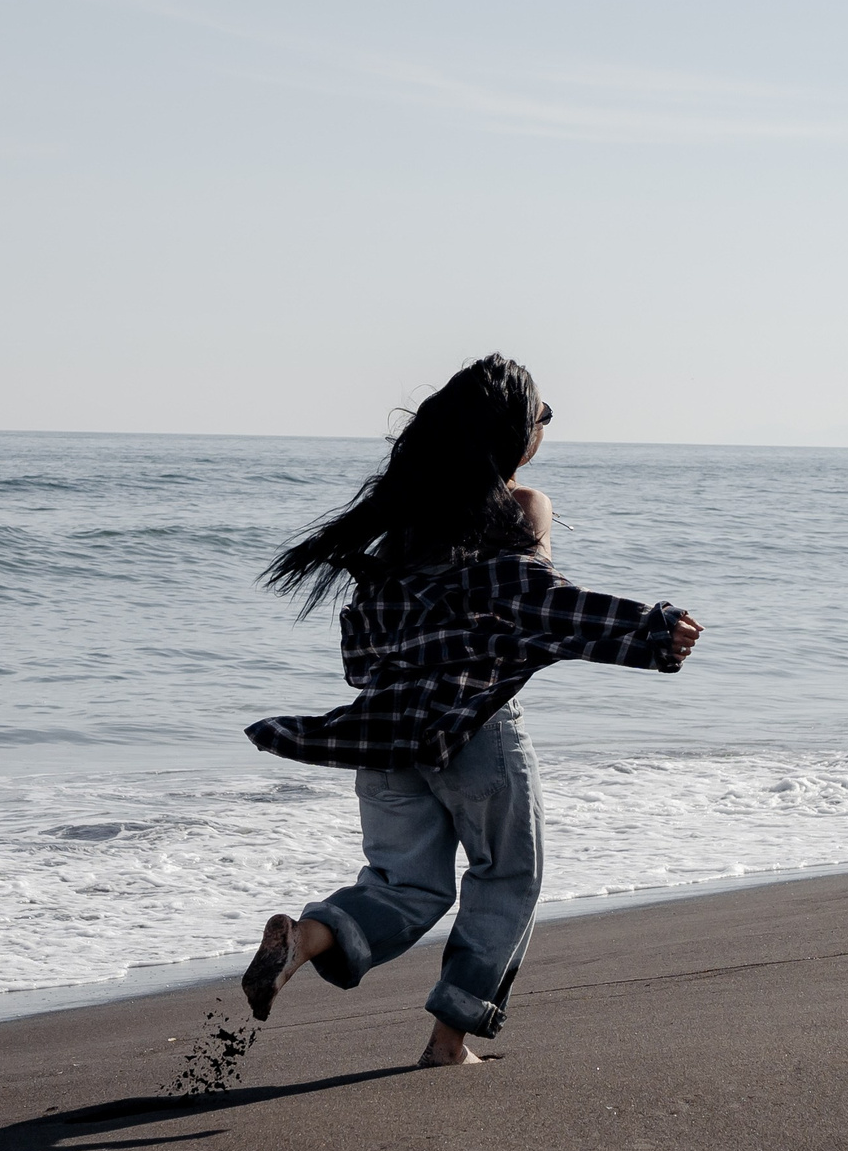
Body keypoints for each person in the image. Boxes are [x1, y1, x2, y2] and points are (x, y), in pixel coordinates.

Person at [241, 354, 702, 1067]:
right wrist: (652, 630)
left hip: (388, 735)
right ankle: (448, 1039)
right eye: (541, 417)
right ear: (513, 434)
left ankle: (306, 938)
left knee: (401, 886)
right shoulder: (521, 508)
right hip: (477, 733)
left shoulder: (403, 528)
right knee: (507, 875)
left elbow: (366, 653)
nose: (545, 429)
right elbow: (537, 607)